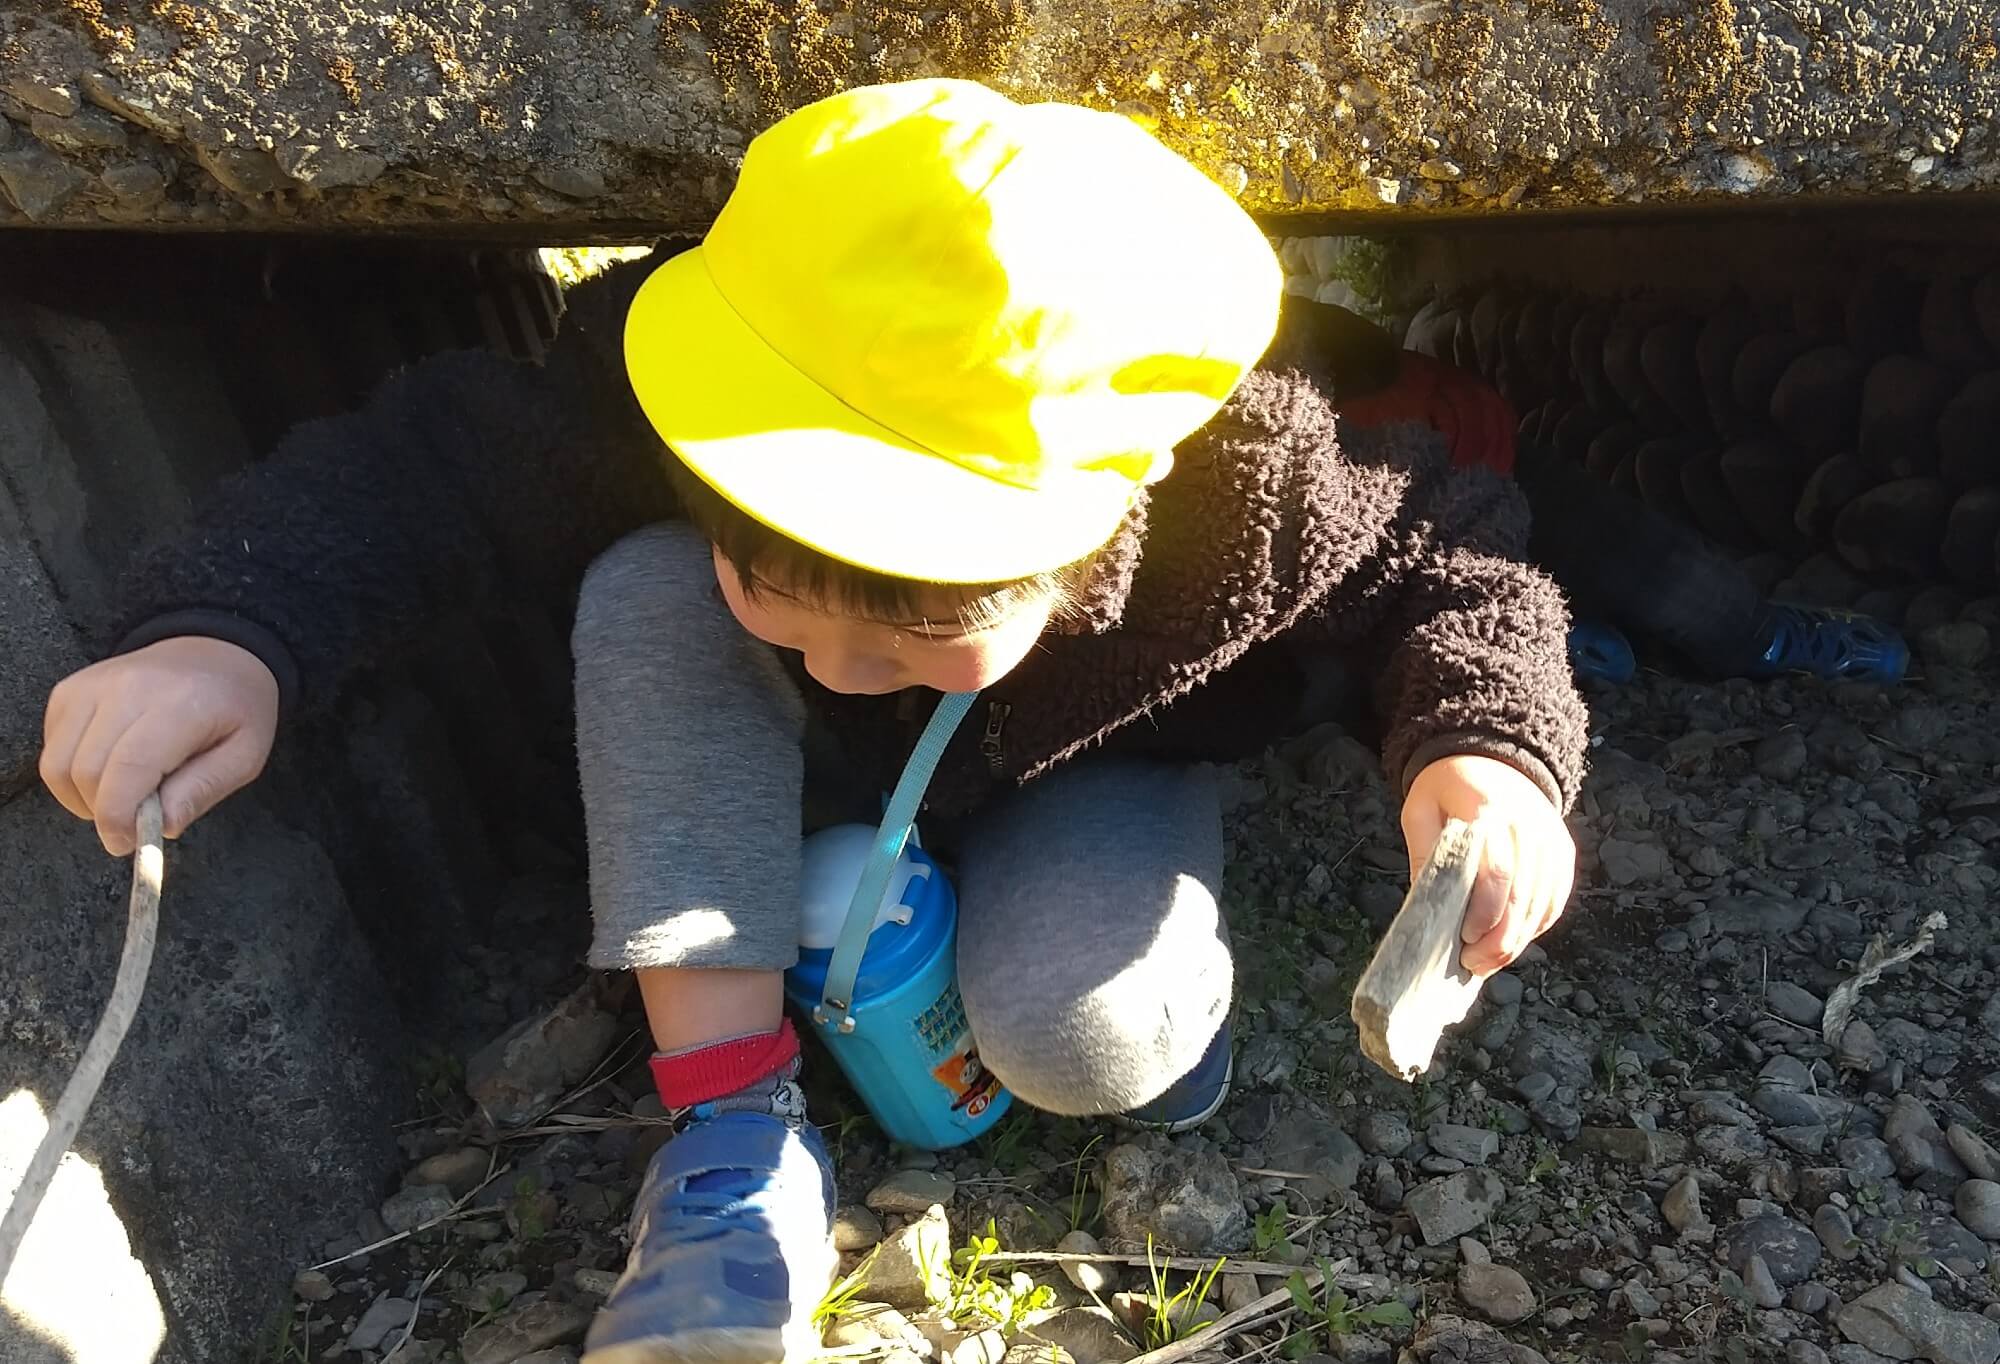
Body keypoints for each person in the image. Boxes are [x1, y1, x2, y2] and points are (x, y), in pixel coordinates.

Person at [38, 80, 1587, 1363]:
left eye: (922, 623)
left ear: (1104, 516)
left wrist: (1486, 754)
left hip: (1087, 754)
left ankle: (1109, 984)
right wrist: (221, 635)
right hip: (760, 766)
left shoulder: (1250, 484)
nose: (847, 663)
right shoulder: (676, 395)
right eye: (780, 588)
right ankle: (727, 1140)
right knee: (654, 590)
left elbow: (1456, 563)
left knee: (1088, 1042)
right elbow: (417, 471)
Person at [1290, 295, 1911, 687]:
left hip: (1471, 459)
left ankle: (1762, 637)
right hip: (1352, 543)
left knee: (1678, 582)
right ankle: (1550, 634)